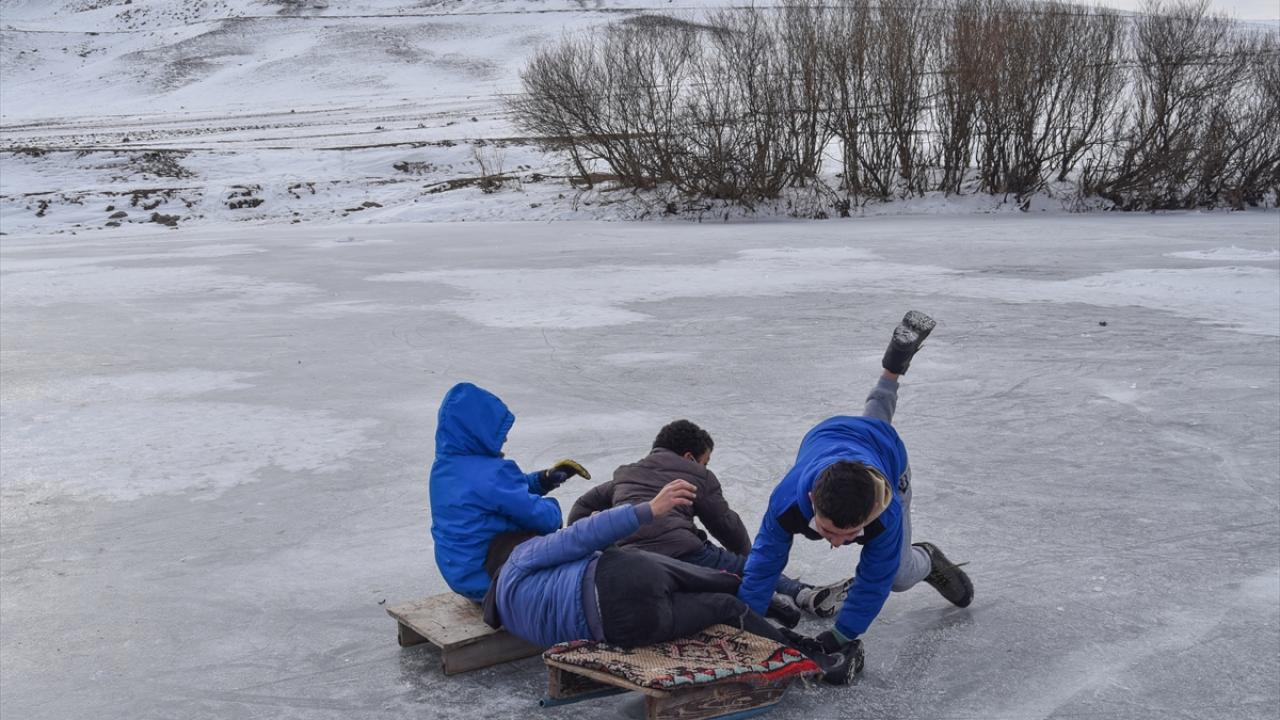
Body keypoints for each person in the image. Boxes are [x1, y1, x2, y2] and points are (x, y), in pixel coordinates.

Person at [737, 311, 974, 667]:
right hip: (830, 435)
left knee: (897, 575)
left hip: (886, 453)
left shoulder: (886, 514)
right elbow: (765, 561)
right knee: (872, 421)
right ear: (813, 500)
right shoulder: (788, 502)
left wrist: (842, 634)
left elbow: (874, 580)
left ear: (871, 514)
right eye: (829, 531)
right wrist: (748, 624)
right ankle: (891, 369)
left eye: (849, 534)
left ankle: (927, 558)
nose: (836, 544)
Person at [482, 479, 861, 684]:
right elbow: (581, 536)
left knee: (723, 609)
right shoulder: (523, 558)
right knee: (721, 584)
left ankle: (814, 661)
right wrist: (648, 510)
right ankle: (782, 611)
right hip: (620, 576)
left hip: (622, 627)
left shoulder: (508, 616)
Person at [568, 420, 848, 619]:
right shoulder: (696, 475)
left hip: (630, 563)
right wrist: (748, 559)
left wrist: (584, 546)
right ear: (690, 457)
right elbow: (725, 525)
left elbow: (583, 505)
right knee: (752, 567)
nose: (705, 467)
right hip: (684, 551)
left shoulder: (625, 473)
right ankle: (802, 594)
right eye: (706, 461)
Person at [429, 382, 590, 601]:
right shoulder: (492, 473)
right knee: (571, 558)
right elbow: (541, 518)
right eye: (497, 432)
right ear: (478, 431)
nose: (504, 438)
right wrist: (554, 508)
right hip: (490, 576)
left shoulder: (445, 468)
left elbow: (498, 493)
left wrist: (542, 480)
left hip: (460, 573)